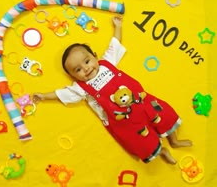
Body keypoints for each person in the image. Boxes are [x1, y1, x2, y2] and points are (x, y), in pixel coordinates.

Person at [33, 16, 192, 164]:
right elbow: (62, 93)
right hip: (124, 120)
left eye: (87, 61)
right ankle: (161, 151)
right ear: (74, 76)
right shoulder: (81, 88)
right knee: (142, 140)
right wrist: (43, 96)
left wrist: (118, 26)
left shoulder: (107, 63)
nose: (86, 69)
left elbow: (114, 44)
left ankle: (174, 140)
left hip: (141, 100)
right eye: (78, 70)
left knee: (163, 115)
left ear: (95, 57)